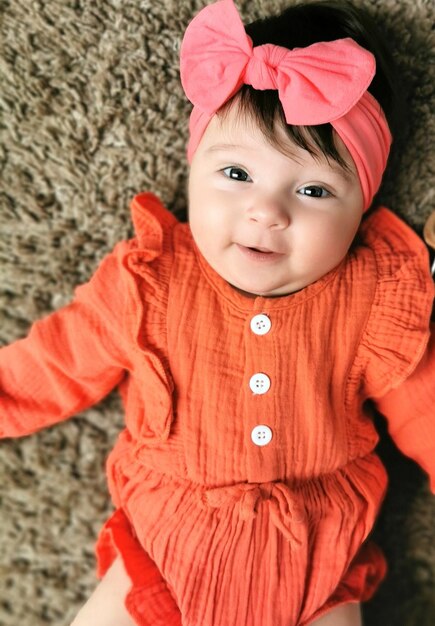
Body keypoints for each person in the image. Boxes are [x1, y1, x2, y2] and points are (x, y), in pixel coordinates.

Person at [1, 0, 434, 624]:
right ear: (193, 168)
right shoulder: (148, 282)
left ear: (361, 208)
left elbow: (426, 409)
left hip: (316, 559)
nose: (267, 212)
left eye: (313, 190)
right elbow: (51, 365)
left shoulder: (377, 300)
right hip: (164, 548)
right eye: (236, 172)